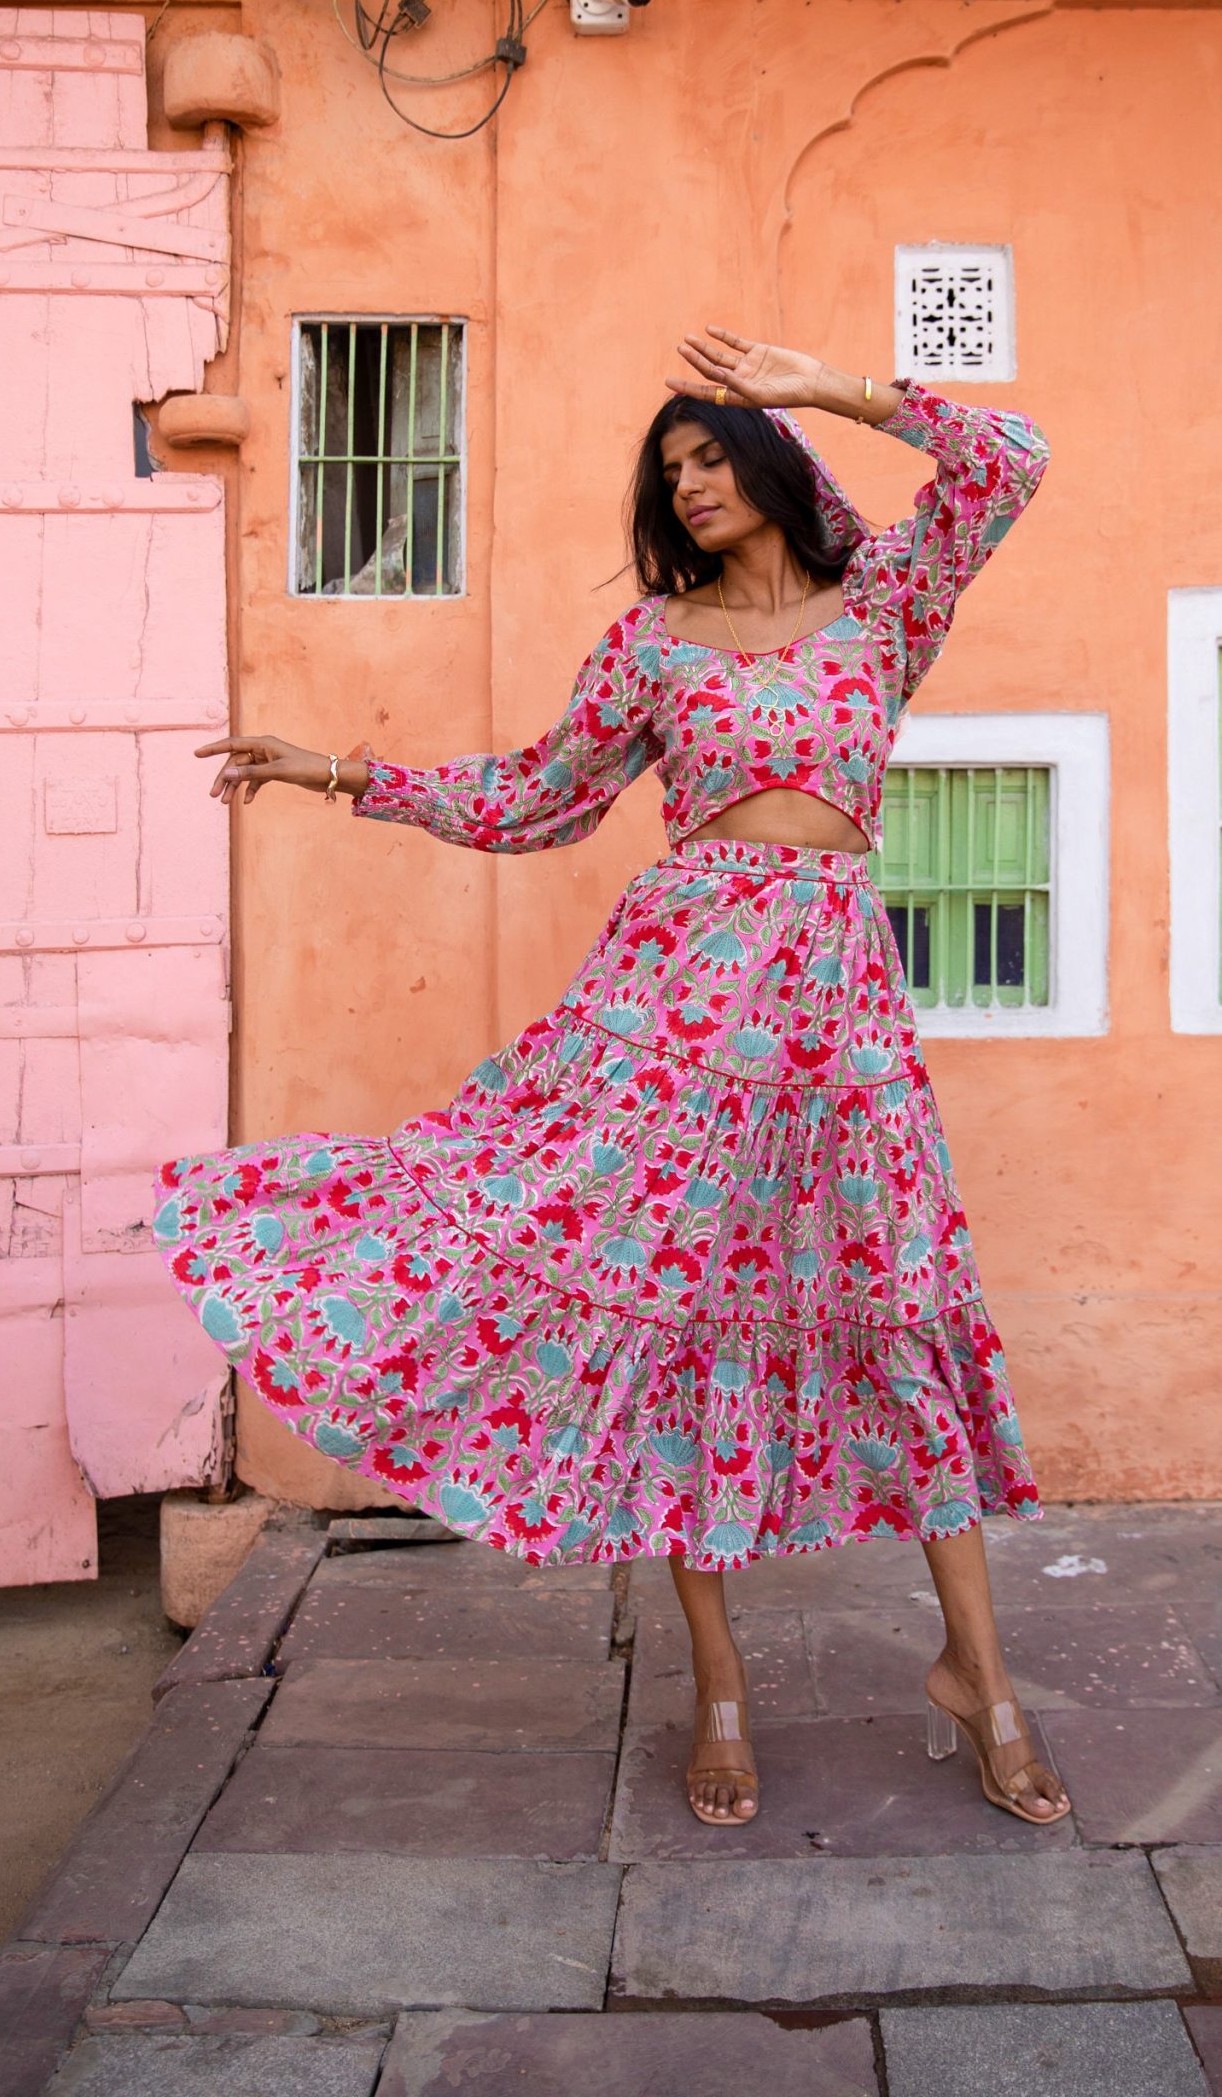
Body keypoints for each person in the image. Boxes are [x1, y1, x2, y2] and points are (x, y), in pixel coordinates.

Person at [158, 326, 1069, 1829]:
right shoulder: (654, 644)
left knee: (902, 1304)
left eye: (714, 456)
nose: (695, 485)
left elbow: (1010, 463)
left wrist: (830, 385)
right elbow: (536, 797)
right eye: (674, 472)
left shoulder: (887, 602)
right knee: (677, 1322)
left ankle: (984, 1675)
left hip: (839, 1021)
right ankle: (716, 1682)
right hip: (676, 1020)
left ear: (771, 457)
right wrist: (342, 772)